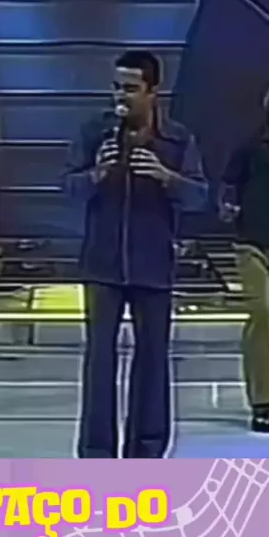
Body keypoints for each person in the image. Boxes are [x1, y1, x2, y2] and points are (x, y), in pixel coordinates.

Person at [63, 50, 208, 458]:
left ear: (153, 91)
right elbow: (67, 186)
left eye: (130, 88)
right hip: (102, 264)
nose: (120, 97)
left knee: (153, 358)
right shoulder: (95, 133)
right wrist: (96, 174)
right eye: (116, 87)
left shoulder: (177, 139)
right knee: (99, 360)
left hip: (153, 263)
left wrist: (166, 177)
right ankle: (97, 453)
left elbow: (200, 196)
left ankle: (147, 450)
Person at [219, 81, 269, 434]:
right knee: (260, 313)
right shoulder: (250, 147)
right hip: (251, 243)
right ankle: (264, 402)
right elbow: (228, 184)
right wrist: (228, 206)